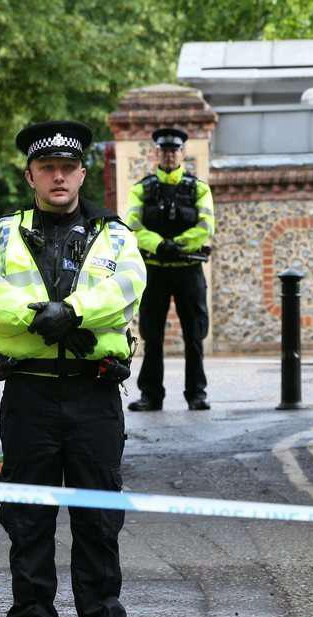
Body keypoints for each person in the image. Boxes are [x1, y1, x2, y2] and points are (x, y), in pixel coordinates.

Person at [0, 121, 147, 617]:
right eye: (47, 168)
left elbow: (126, 289)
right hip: (29, 395)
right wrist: (33, 316)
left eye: (68, 167)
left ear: (83, 174)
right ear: (31, 176)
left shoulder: (115, 236)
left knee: (98, 522)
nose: (58, 176)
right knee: (28, 521)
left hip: (94, 395)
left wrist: (72, 313)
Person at [124, 127, 216, 411]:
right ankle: (151, 395)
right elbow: (134, 226)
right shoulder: (142, 188)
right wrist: (160, 245)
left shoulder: (198, 188)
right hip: (155, 270)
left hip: (189, 270)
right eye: (164, 151)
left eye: (174, 150)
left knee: (194, 335)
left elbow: (206, 226)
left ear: (182, 153)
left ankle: (197, 394)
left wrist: (179, 244)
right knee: (152, 336)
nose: (169, 155)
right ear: (157, 154)